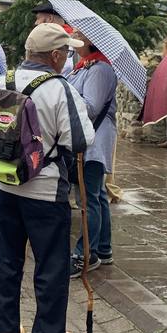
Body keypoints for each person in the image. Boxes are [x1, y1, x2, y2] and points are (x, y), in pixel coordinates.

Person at [0, 23, 94, 333]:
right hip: (46, 191)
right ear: (55, 55)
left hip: (4, 183)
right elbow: (78, 141)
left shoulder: (0, 81)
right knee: (50, 265)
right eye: (66, 53)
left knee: (5, 260)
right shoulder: (59, 88)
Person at [67, 29, 118, 277]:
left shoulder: (99, 69)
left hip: (94, 140)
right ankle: (103, 248)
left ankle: (85, 253)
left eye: (80, 32)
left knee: (88, 198)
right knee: (95, 195)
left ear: (90, 40)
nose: (74, 34)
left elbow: (91, 108)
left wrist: (65, 95)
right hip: (89, 139)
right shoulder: (84, 66)